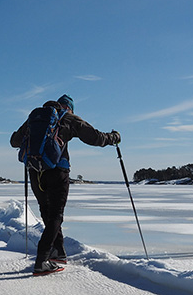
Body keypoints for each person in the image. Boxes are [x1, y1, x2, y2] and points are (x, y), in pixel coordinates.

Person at [10, 94, 120, 276]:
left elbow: (14, 141)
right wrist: (113, 137)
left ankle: (58, 252)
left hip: (34, 171)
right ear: (69, 107)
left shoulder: (34, 118)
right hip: (57, 172)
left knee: (46, 211)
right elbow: (95, 138)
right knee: (56, 215)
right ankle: (42, 261)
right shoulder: (67, 117)